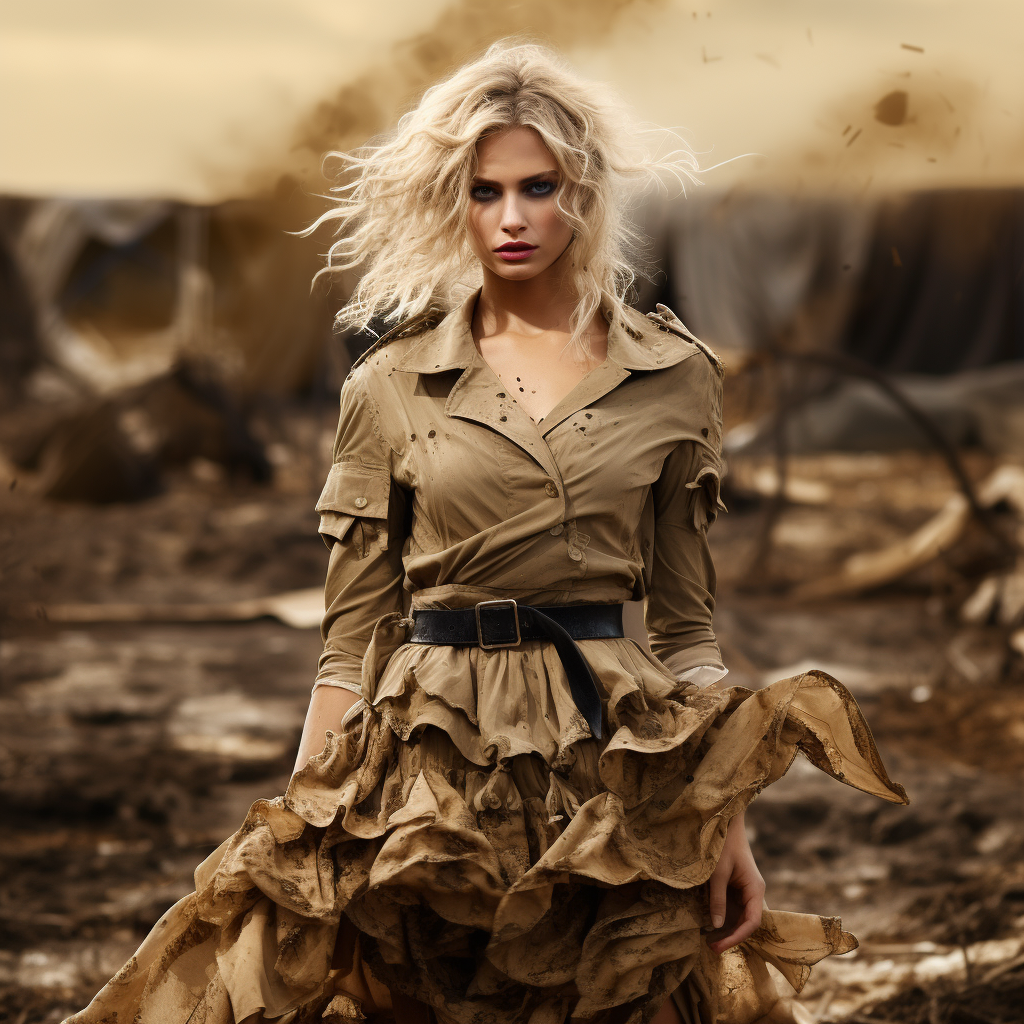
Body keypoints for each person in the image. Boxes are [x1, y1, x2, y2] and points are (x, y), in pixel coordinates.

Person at [66, 41, 906, 1024]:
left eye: (538, 186)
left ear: (584, 191)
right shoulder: (387, 387)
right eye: (483, 190)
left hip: (611, 771)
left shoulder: (675, 375)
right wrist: (300, 827)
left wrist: (724, 833)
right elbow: (352, 639)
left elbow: (685, 632)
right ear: (451, 201)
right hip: (435, 773)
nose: (511, 218)